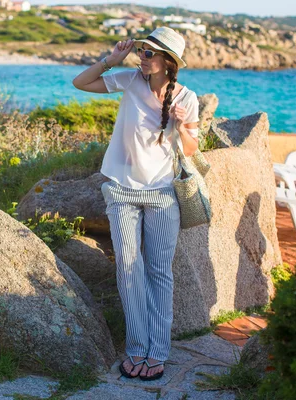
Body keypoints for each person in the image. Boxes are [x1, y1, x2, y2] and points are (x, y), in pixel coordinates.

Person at [72, 27, 200, 381]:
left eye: (147, 52)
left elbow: (191, 150)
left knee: (160, 273)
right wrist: (110, 61)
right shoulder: (128, 79)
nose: (141, 56)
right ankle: (136, 348)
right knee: (129, 271)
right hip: (122, 191)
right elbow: (80, 83)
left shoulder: (186, 98)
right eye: (140, 50)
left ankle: (158, 351)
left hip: (162, 195)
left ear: (167, 62)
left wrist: (180, 126)